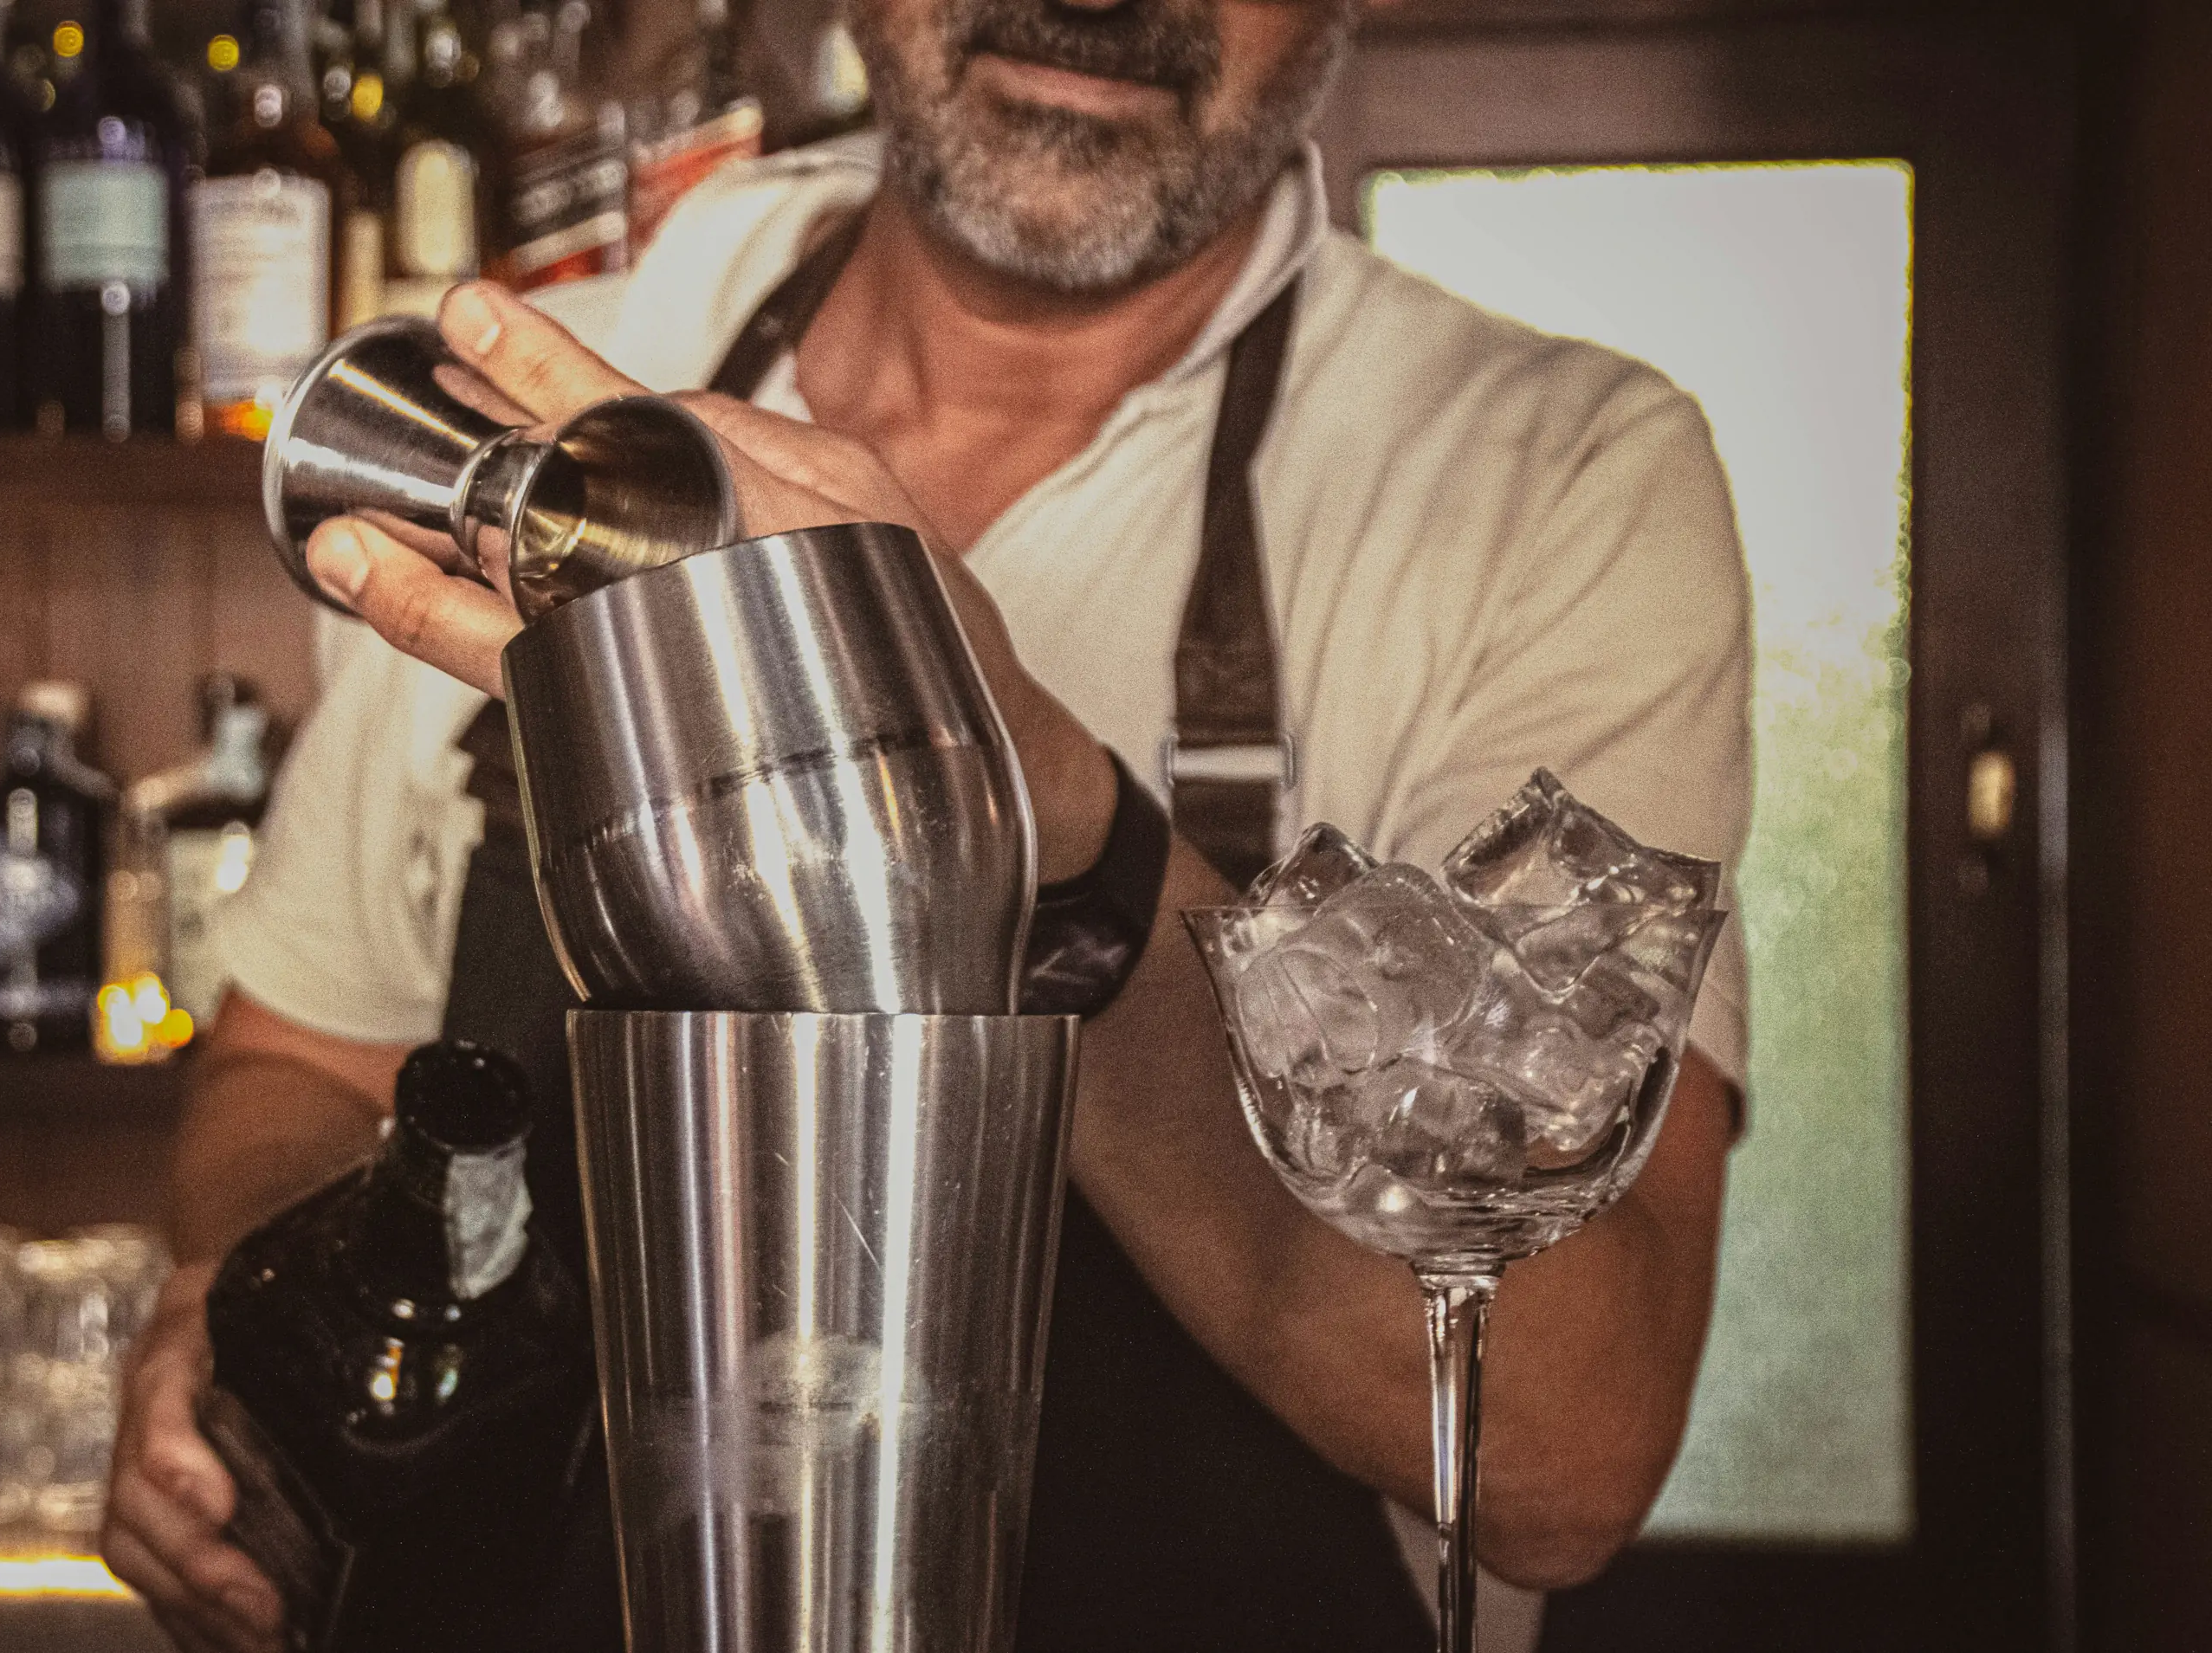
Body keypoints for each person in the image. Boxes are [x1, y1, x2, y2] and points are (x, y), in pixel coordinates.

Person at [100, 0, 1755, 1643]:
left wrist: (1037, 821)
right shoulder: (558, 402)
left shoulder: (1547, 478)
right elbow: (294, 1071)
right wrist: (284, 1323)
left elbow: (1557, 1454)